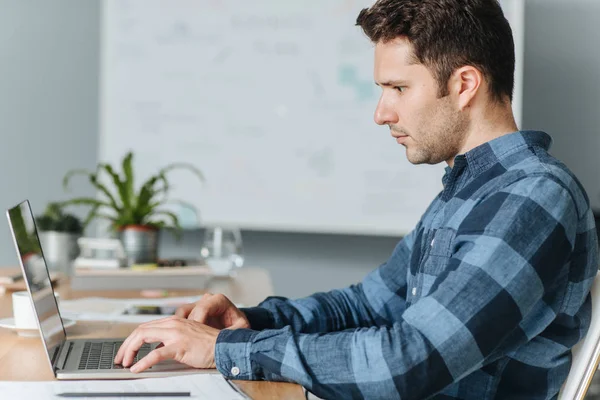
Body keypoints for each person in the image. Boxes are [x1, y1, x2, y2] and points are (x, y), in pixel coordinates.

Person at [114, 0, 599, 398]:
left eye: (398, 88)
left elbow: (410, 362)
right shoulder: (468, 190)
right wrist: (251, 321)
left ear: (464, 84)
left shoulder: (533, 197)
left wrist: (228, 350)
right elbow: (369, 305)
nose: (381, 112)